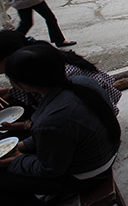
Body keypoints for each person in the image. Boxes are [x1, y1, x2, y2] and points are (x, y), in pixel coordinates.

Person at [0, 43, 120, 204]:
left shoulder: (50, 119)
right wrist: (23, 145)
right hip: (106, 152)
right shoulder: (81, 82)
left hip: (89, 175)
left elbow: (50, 170)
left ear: (25, 84)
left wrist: (17, 160)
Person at [0, 31, 121, 117]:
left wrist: (27, 127)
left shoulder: (62, 77)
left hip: (95, 120)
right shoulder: (43, 61)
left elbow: (60, 119)